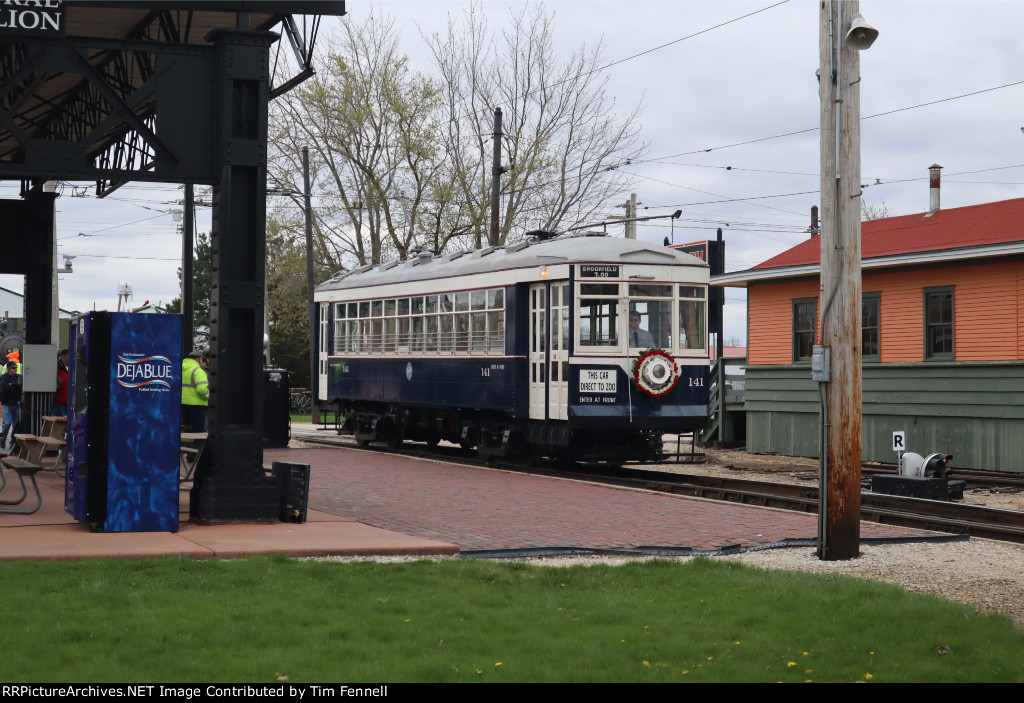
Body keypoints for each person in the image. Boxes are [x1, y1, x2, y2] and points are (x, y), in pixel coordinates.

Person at [181, 349, 210, 432]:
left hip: (183, 404)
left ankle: (187, 445)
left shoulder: (181, 369)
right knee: (198, 431)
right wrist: (210, 397)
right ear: (199, 359)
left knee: (187, 429)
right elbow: (202, 390)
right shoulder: (198, 371)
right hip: (197, 405)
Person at [0, 360, 23, 452]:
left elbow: (20, 387)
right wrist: (14, 386)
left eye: (16, 368)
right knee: (7, 423)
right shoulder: (4, 377)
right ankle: (2, 439)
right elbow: (4, 386)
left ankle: (12, 444)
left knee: (16, 425)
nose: (15, 369)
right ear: (9, 369)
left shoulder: (19, 377)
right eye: (13, 368)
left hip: (17, 404)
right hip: (7, 404)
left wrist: (12, 385)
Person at [52, 348, 69, 416]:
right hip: (58, 402)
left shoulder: (74, 368)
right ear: (63, 356)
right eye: (69, 355)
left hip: (69, 402)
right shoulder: (55, 367)